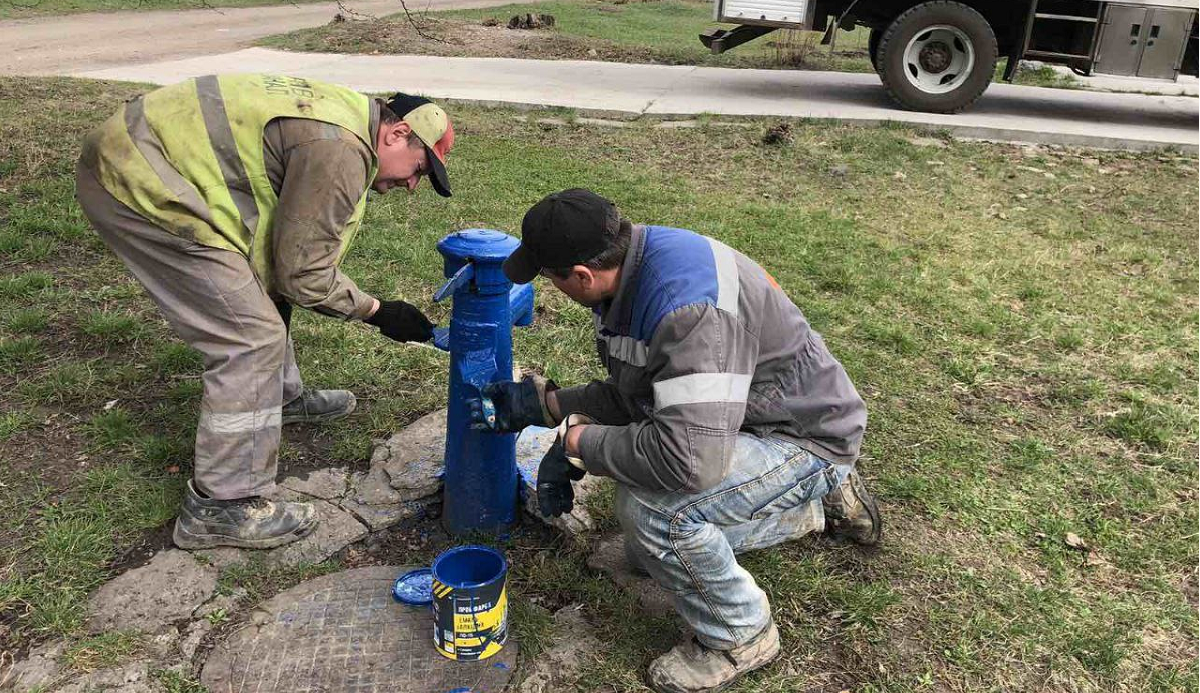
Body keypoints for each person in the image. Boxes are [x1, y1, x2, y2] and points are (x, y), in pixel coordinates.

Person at [475, 189, 882, 693]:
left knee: (654, 512)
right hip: (747, 416)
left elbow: (688, 461)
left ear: (581, 276)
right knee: (645, 552)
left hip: (800, 435)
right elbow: (644, 392)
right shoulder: (637, 267)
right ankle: (812, 510)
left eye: (551, 277)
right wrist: (549, 405)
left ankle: (741, 634)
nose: (553, 287)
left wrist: (578, 443)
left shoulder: (685, 312)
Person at [76, 74, 453, 550]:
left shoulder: (346, 119)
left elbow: (284, 260)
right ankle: (222, 506)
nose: (413, 185)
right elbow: (303, 275)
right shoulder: (340, 147)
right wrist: (379, 312)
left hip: (144, 157)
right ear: (396, 134)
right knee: (250, 338)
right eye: (419, 169)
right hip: (138, 183)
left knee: (257, 299)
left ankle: (277, 398)